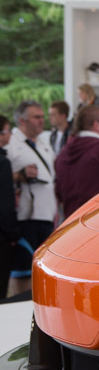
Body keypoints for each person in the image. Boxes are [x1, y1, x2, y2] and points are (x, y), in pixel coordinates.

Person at [7, 101, 57, 294]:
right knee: (21, 272)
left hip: (45, 215)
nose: (41, 121)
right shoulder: (11, 143)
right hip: (24, 218)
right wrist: (19, 175)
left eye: (43, 117)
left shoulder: (44, 143)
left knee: (39, 273)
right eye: (37, 117)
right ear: (22, 120)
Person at [55, 105, 99, 218]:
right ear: (96, 125)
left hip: (70, 219)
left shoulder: (64, 152)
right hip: (97, 218)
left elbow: (58, 191)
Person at [0, 116, 18, 299]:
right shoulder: (3, 163)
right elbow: (5, 203)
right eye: (7, 131)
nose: (10, 135)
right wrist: (13, 234)